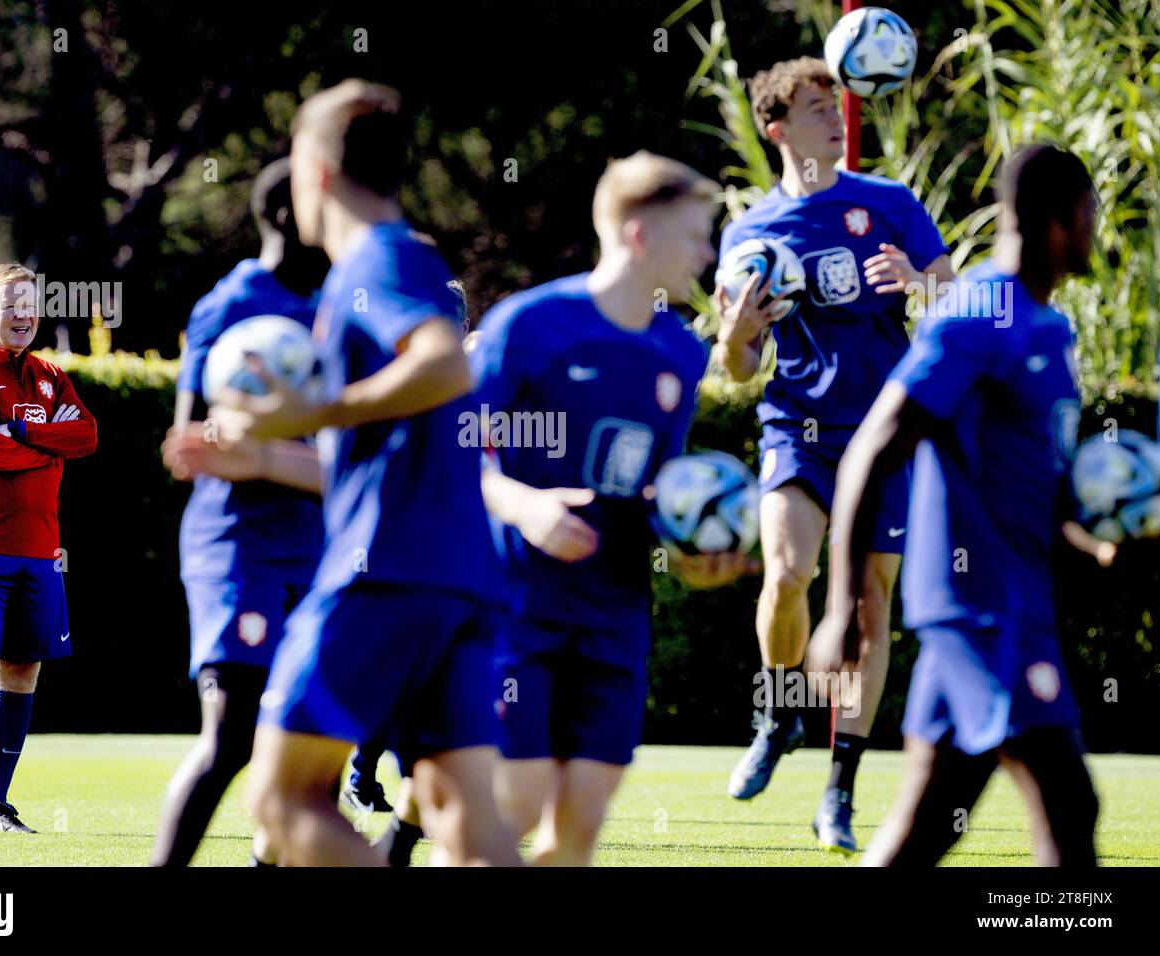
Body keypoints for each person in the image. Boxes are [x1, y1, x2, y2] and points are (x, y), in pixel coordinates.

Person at [215, 79, 518, 866]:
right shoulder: (410, 260)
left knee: (282, 799)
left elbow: (445, 365)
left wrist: (313, 411)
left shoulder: (372, 264)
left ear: (314, 171)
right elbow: (384, 446)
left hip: (384, 576)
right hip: (458, 578)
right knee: (463, 818)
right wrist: (265, 455)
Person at [808, 144, 1101, 866]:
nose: (1096, 228)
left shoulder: (1049, 328)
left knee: (929, 823)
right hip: (982, 610)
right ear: (1063, 218)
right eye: (1092, 212)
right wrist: (844, 608)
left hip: (1008, 606)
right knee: (1070, 807)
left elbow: (1028, 488)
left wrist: (1101, 546)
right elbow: (872, 450)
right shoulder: (977, 316)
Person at [473, 152, 752, 865]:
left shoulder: (678, 356)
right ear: (637, 236)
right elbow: (449, 458)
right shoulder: (529, 326)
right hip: (517, 608)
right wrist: (525, 506)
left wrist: (698, 555)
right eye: (694, 235)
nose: (706, 253)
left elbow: (661, 491)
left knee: (578, 834)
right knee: (513, 810)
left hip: (616, 616)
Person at [713, 56, 954, 852]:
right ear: (777, 129)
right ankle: (779, 711)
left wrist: (917, 280)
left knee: (867, 609)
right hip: (798, 426)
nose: (835, 118)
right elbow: (739, 368)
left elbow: (953, 294)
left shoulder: (886, 202)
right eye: (817, 109)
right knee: (787, 573)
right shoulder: (749, 232)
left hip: (886, 430)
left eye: (837, 105)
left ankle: (840, 788)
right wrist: (739, 333)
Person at [150, 159, 328, 866]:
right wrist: (249, 429)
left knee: (305, 746)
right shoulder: (229, 306)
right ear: (288, 214)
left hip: (319, 546)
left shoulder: (340, 307)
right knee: (231, 739)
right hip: (237, 547)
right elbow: (184, 446)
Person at [0, 262, 98, 833]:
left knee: (23, 669)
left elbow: (86, 435)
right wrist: (46, 447)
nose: (23, 314)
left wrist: (26, 433)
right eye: (11, 304)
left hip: (39, 548)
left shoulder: (51, 374)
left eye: (30, 304)